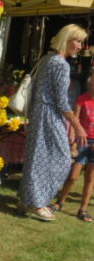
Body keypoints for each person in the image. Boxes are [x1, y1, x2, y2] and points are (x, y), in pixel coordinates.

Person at [18, 24, 88, 221]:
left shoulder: (47, 59)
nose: (80, 46)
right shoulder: (61, 64)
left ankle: (28, 200)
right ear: (67, 39)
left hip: (39, 113)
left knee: (36, 158)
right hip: (49, 114)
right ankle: (36, 203)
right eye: (78, 41)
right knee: (61, 159)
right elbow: (61, 101)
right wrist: (78, 126)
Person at [50, 77, 94, 221]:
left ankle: (83, 209)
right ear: (90, 81)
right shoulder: (82, 99)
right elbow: (75, 120)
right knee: (73, 176)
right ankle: (60, 202)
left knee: (90, 178)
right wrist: (72, 140)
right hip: (82, 141)